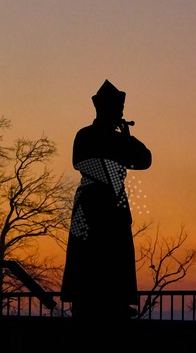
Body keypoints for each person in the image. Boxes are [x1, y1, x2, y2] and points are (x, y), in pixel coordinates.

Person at [61, 79, 152, 335]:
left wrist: (126, 140)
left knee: (116, 260)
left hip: (114, 206)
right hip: (90, 205)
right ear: (103, 109)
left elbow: (145, 160)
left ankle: (117, 307)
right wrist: (117, 157)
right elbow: (81, 162)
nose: (120, 114)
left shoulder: (119, 139)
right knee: (87, 262)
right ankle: (87, 307)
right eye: (117, 110)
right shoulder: (86, 135)